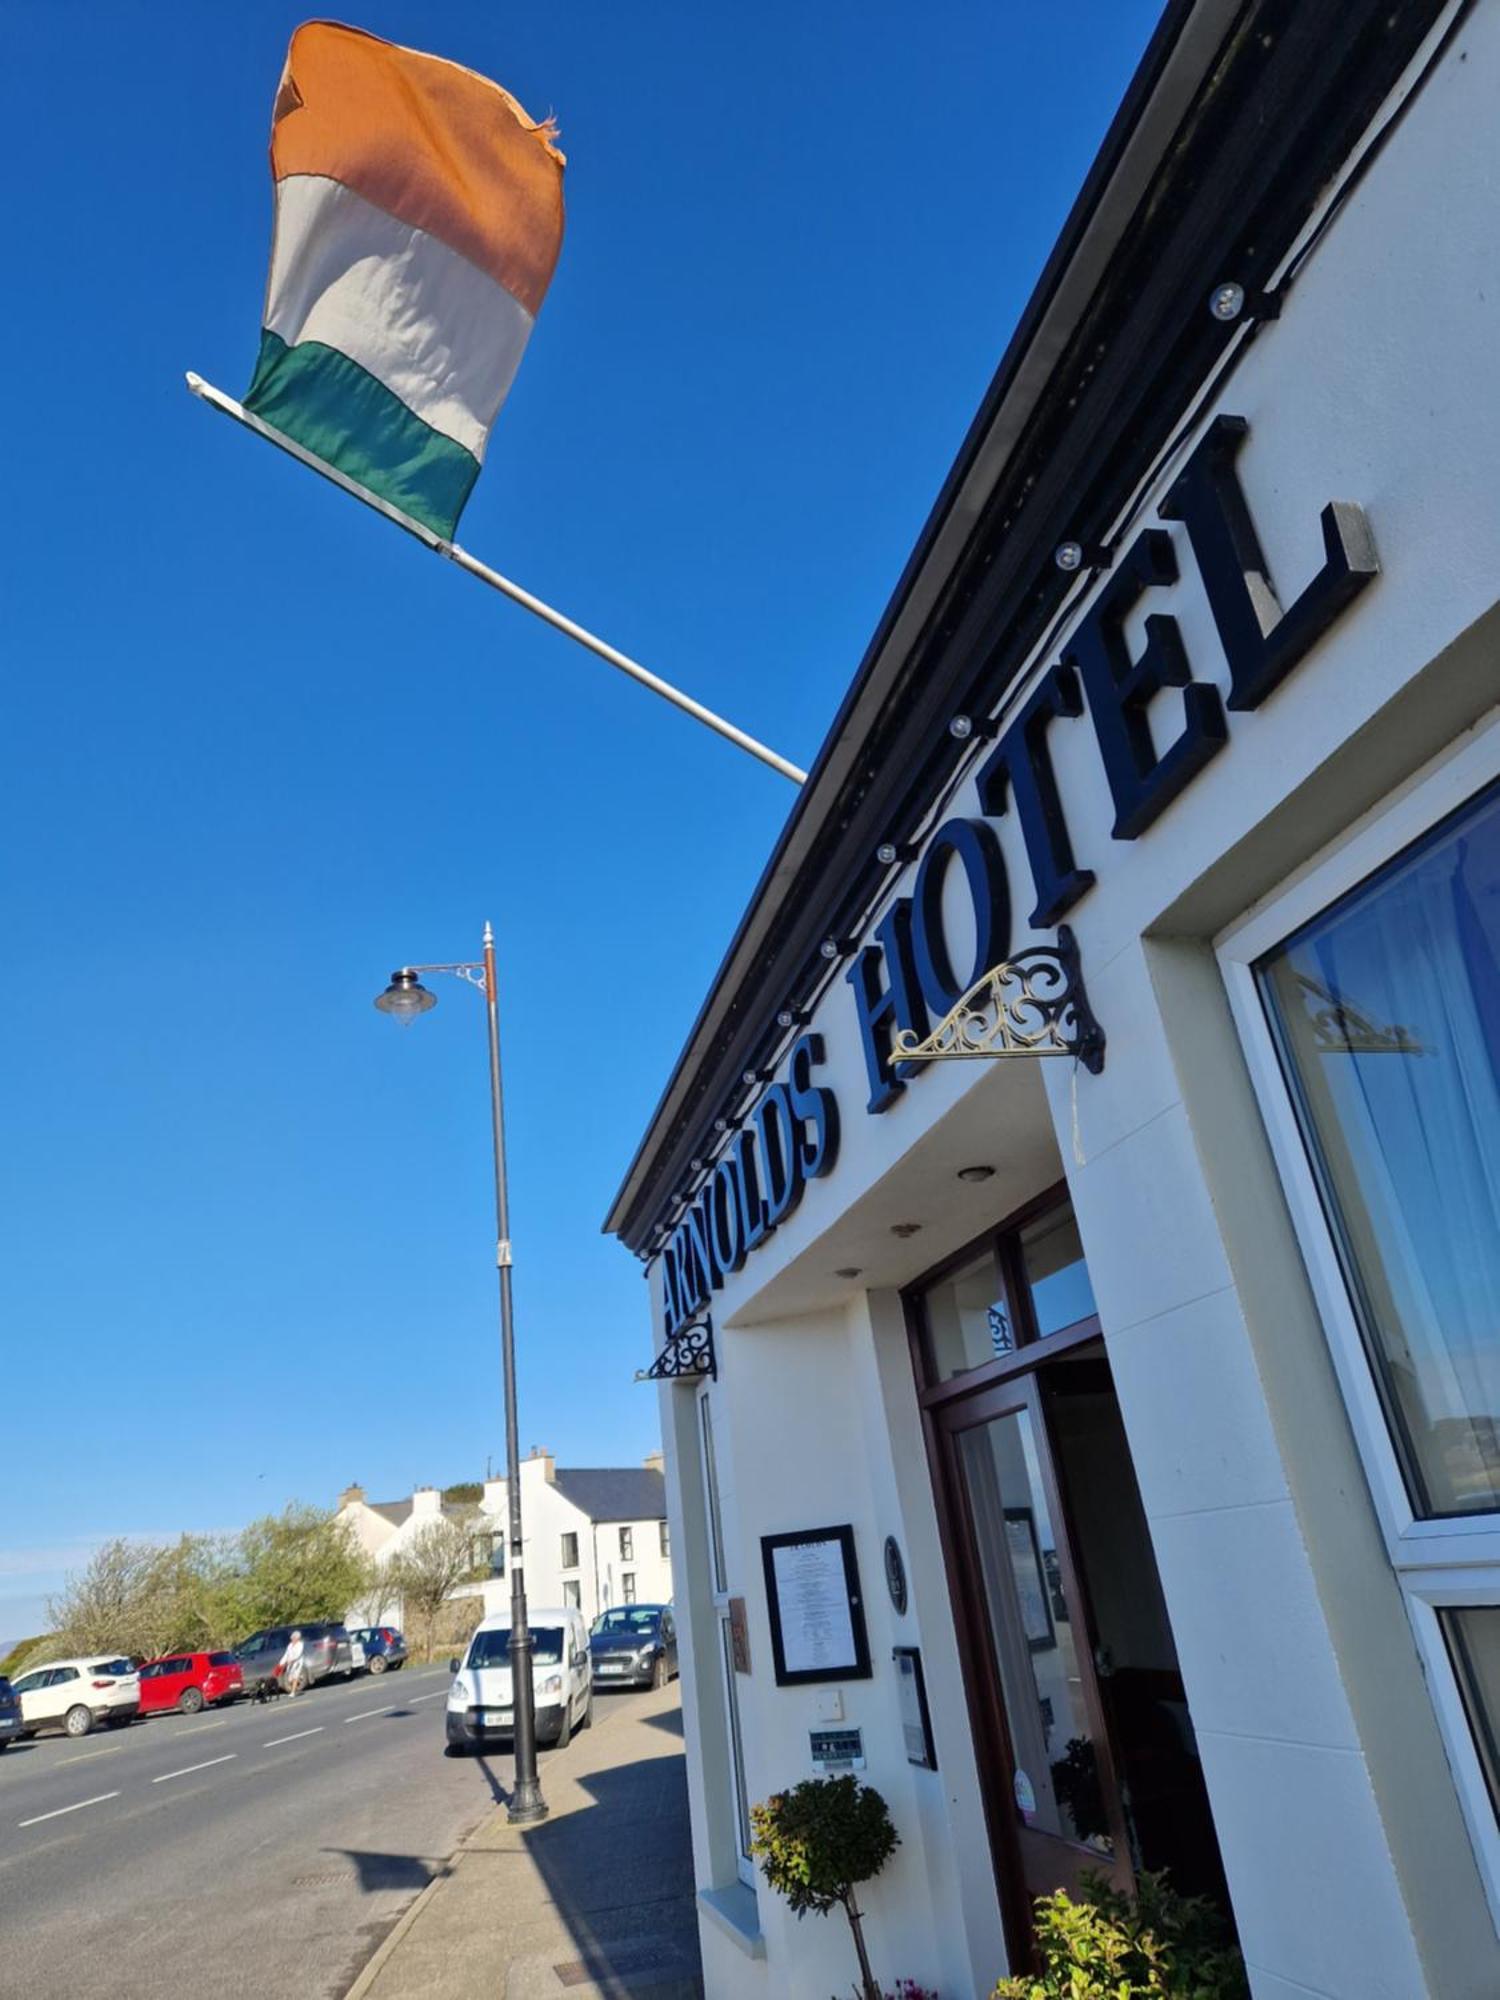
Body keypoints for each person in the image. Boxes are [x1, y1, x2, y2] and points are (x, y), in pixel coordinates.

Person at [278, 1629, 307, 1698]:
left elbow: (298, 1654)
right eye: (292, 1637)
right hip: (290, 1664)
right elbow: (286, 1654)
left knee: (295, 1677)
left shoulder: (300, 1644)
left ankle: (293, 1692)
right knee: (289, 1679)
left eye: (294, 1637)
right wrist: (281, 1662)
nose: (292, 1639)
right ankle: (297, 1685)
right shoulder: (290, 1645)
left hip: (297, 1663)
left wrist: (292, 1660)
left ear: (297, 1638)